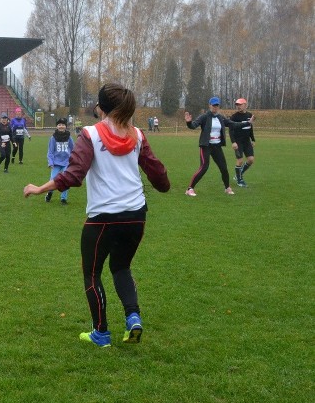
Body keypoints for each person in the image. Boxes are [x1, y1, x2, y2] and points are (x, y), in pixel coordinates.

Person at [23, 82, 170, 347]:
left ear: (100, 107)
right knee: (122, 267)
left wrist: (40, 188)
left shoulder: (90, 134)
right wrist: (164, 184)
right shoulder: (137, 134)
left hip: (103, 218)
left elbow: (73, 175)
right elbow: (158, 174)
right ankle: (133, 318)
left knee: (92, 273)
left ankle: (101, 333)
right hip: (136, 215)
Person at [184, 97, 253, 197]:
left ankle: (227, 188)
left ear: (218, 106)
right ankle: (189, 189)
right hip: (206, 146)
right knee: (204, 167)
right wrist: (189, 122)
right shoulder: (204, 117)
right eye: (213, 105)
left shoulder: (221, 117)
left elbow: (233, 124)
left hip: (217, 146)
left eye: (217, 105)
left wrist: (248, 123)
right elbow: (193, 125)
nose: (215, 107)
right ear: (209, 105)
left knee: (224, 168)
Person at [45, 118, 74, 204]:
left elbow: (73, 149)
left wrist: (73, 161)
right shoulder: (53, 138)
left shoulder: (69, 138)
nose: (61, 126)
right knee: (53, 179)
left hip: (66, 162)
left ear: (66, 126)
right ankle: (49, 192)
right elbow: (50, 152)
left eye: (63, 124)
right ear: (57, 126)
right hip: (56, 163)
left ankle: (63, 198)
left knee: (66, 179)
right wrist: (50, 162)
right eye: (59, 125)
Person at [229, 98, 255, 187]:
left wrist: (253, 139)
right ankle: (239, 180)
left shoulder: (250, 115)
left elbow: (250, 128)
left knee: (251, 160)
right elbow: (231, 130)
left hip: (247, 141)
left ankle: (238, 175)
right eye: (237, 105)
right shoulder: (234, 117)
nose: (238, 106)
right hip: (238, 142)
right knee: (240, 161)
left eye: (240, 104)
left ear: (245, 105)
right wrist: (233, 142)